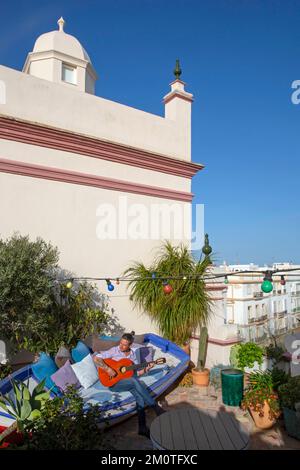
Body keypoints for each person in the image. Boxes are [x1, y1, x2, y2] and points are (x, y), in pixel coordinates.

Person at [93, 332, 165, 438]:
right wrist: (108, 369)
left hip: (127, 382)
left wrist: (147, 368)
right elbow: (96, 358)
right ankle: (155, 407)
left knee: (139, 397)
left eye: (124, 344)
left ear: (130, 345)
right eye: (121, 343)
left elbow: (136, 373)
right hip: (113, 383)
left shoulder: (132, 357)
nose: (121, 346)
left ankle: (142, 428)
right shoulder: (114, 350)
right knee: (134, 381)